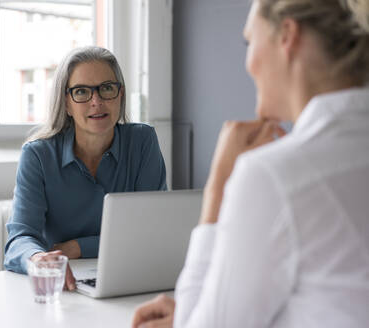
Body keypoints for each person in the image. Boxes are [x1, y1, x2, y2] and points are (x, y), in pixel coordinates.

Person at [132, 0, 369, 327]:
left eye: (249, 41)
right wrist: (200, 308)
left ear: (287, 35)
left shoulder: (274, 175)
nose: (247, 63)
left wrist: (218, 187)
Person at [4, 46, 167, 289]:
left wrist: (76, 247)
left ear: (120, 94)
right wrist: (38, 258)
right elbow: (20, 239)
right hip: (63, 284)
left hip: (130, 278)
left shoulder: (142, 141)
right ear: (66, 103)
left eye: (106, 88)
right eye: (81, 92)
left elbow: (152, 231)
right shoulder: (37, 155)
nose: (96, 101)